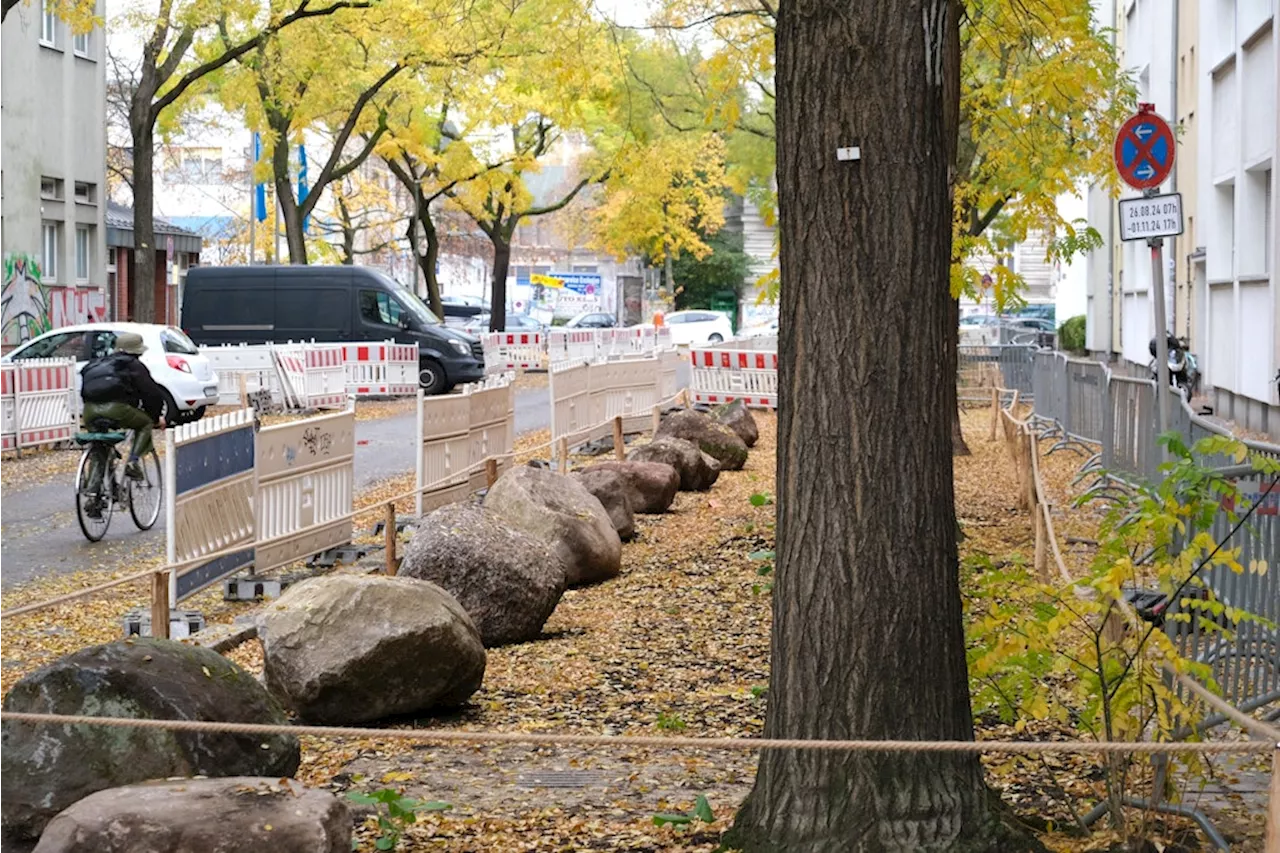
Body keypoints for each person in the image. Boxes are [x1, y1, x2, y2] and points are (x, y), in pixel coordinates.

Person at [79, 331, 166, 481]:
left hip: (89, 411)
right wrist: (155, 416)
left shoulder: (98, 363)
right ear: (137, 351)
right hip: (117, 410)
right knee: (145, 423)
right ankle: (133, 462)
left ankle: (93, 494)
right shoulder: (134, 365)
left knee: (99, 449)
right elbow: (151, 393)